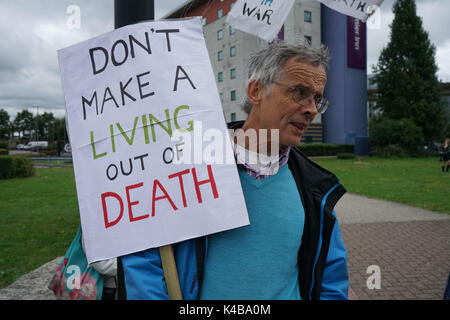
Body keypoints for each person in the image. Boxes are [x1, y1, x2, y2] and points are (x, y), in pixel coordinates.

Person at [117, 41, 349, 300]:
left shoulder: (315, 189)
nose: (312, 110)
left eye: (317, 98)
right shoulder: (186, 166)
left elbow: (331, 280)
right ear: (256, 90)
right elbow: (143, 257)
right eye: (299, 92)